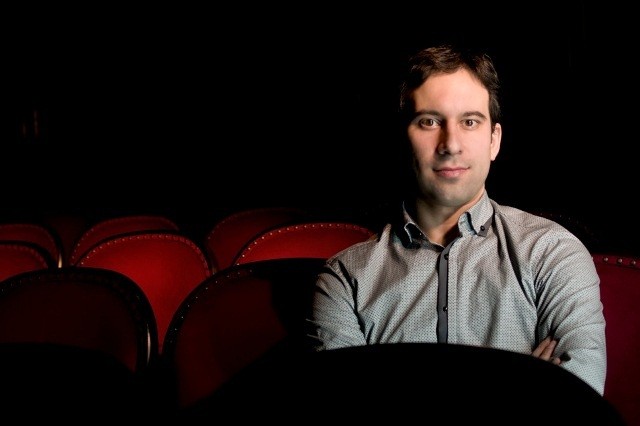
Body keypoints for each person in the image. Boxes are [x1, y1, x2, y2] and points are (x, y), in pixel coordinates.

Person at [305, 44, 606, 395]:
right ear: (402, 139)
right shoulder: (344, 280)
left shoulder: (553, 253)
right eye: (429, 121)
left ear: (494, 141)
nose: (451, 144)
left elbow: (579, 405)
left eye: (470, 122)